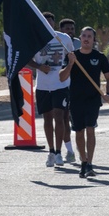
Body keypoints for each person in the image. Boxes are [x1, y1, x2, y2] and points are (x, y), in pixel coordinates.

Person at [60, 26, 109, 179]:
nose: (86, 38)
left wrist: (108, 93)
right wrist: (70, 63)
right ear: (80, 38)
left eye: (89, 36)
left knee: (90, 129)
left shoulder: (100, 57)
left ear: (94, 39)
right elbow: (61, 77)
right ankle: (83, 161)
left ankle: (89, 162)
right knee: (79, 131)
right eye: (84, 36)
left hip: (93, 100)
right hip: (75, 100)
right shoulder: (72, 56)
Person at [28, 12, 73, 168]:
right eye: (44, 22)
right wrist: (39, 66)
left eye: (50, 23)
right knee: (47, 119)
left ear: (54, 24)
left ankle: (60, 152)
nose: (47, 25)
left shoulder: (64, 38)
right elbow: (26, 59)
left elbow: (71, 57)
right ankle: (51, 152)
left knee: (59, 116)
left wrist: (68, 69)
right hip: (42, 85)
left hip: (60, 84)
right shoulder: (34, 38)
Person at [58, 18, 80, 163]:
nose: (70, 32)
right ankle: (70, 151)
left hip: (79, 87)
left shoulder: (79, 43)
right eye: (67, 29)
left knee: (79, 122)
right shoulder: (57, 43)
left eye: (72, 29)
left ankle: (83, 152)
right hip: (63, 85)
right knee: (64, 118)